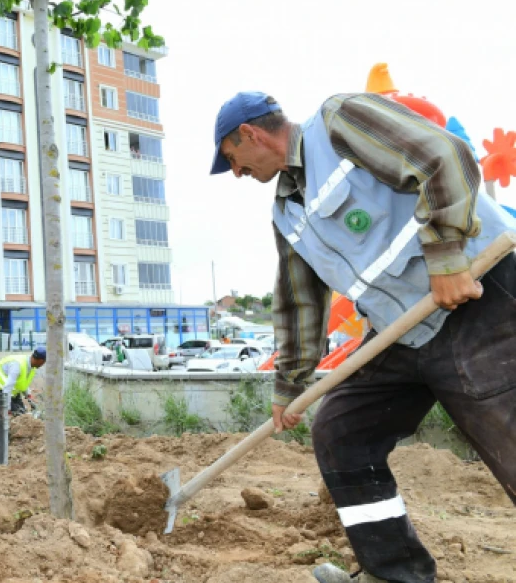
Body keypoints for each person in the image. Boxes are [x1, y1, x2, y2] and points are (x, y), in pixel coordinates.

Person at [209, 91, 516, 583]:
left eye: (232, 159)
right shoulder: (286, 211)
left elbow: (443, 155)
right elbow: (298, 299)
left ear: (251, 134)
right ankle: (395, 573)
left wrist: (446, 257)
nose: (238, 172)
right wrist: (290, 387)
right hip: (402, 331)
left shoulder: (339, 122)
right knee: (341, 433)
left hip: (475, 299)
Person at [0, 347, 46, 415]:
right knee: (17, 413)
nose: (43, 364)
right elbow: (7, 387)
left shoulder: (31, 367)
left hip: (11, 391)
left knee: (23, 412)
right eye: (44, 362)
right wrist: (7, 409)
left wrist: (29, 397)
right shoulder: (17, 365)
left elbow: (23, 383)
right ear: (40, 360)